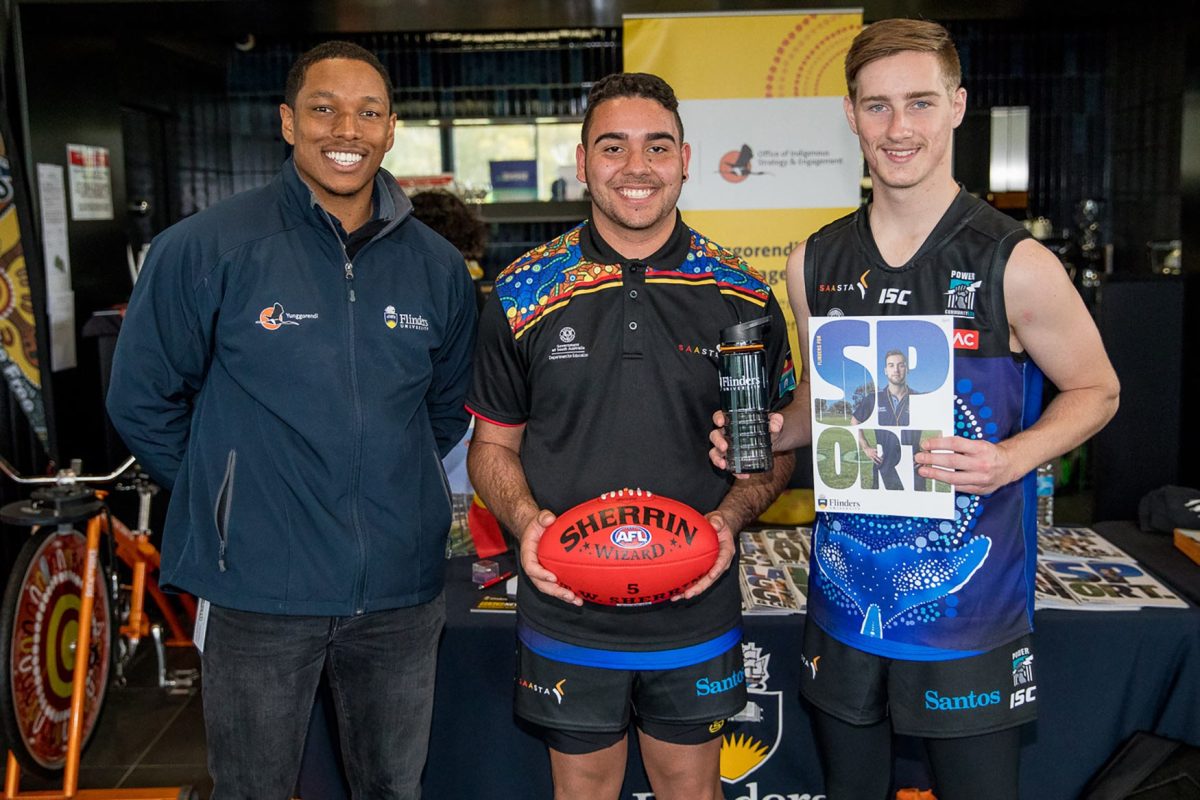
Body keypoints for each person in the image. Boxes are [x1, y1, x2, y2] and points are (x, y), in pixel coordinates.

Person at [710, 19, 1119, 800]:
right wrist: (774, 429)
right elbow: (824, 406)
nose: (899, 128)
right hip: (843, 604)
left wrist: (1010, 457)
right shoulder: (812, 261)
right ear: (851, 115)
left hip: (967, 612)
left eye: (921, 103)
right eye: (878, 106)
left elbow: (1097, 389)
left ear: (957, 106)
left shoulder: (1015, 262)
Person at [106, 41, 476, 800]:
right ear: (287, 122)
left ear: (391, 129)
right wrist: (229, 493)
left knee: (392, 789)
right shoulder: (204, 249)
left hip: (399, 592)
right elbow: (140, 399)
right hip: (257, 587)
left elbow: (445, 409)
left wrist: (388, 486)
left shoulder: (438, 267)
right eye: (324, 109)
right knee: (254, 790)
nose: (346, 129)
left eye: (367, 112)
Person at [466, 73, 796, 800]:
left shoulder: (742, 293)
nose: (636, 167)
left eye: (657, 146)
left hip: (695, 598)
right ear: (583, 162)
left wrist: (729, 519)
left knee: (691, 789)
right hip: (567, 601)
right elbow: (491, 446)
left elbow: (778, 448)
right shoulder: (523, 290)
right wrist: (526, 524)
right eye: (613, 147)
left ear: (685, 159)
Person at [851, 349, 916, 488]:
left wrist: (927, 452)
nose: (896, 370)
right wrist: (866, 447)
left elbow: (941, 423)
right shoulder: (873, 399)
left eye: (901, 365)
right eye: (891, 365)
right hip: (883, 466)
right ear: (886, 370)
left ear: (907, 369)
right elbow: (855, 421)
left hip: (913, 469)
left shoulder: (919, 398)